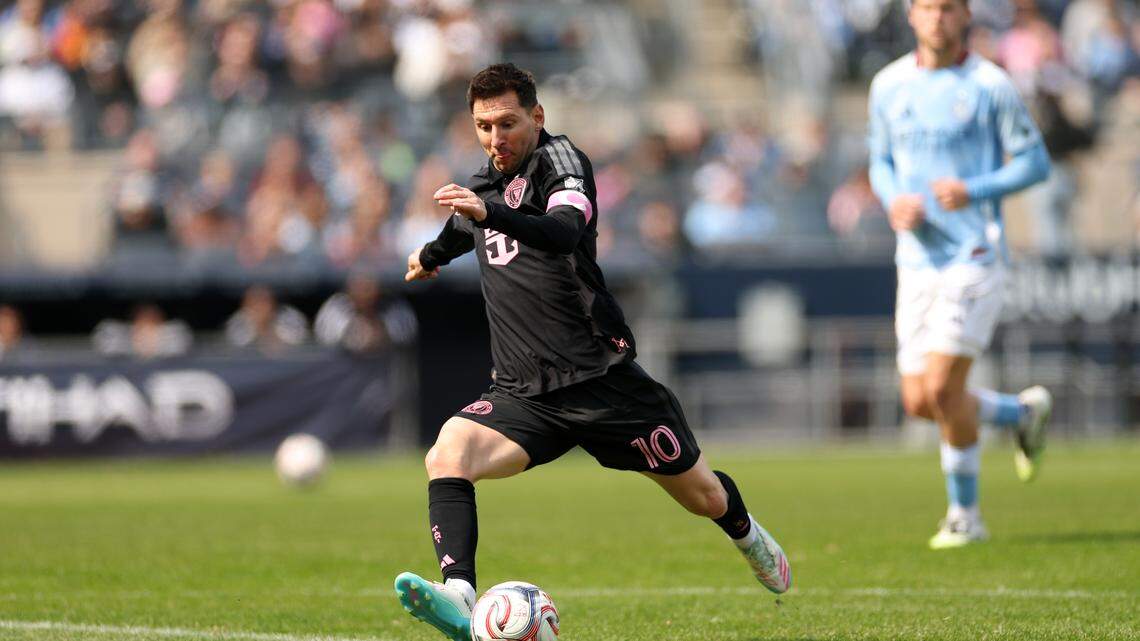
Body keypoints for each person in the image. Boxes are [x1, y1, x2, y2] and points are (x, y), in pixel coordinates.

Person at [393, 63, 792, 641]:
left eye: (506, 123)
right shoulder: (480, 187)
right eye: (483, 126)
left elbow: (561, 233)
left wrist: (487, 214)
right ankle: (458, 595)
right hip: (523, 392)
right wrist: (431, 255)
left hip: (601, 381)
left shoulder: (561, 162)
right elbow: (466, 229)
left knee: (703, 495)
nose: (494, 138)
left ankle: (748, 535)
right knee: (447, 454)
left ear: (537, 116)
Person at [868, 0, 1054, 550]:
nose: (937, 18)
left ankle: (965, 517)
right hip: (916, 259)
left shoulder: (990, 84)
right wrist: (891, 200)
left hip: (974, 253)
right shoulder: (888, 85)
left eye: (948, 8)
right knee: (919, 402)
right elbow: (879, 159)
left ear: (965, 15)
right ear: (910, 14)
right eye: (928, 7)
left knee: (944, 388)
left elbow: (1035, 162)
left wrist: (976, 189)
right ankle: (1021, 411)